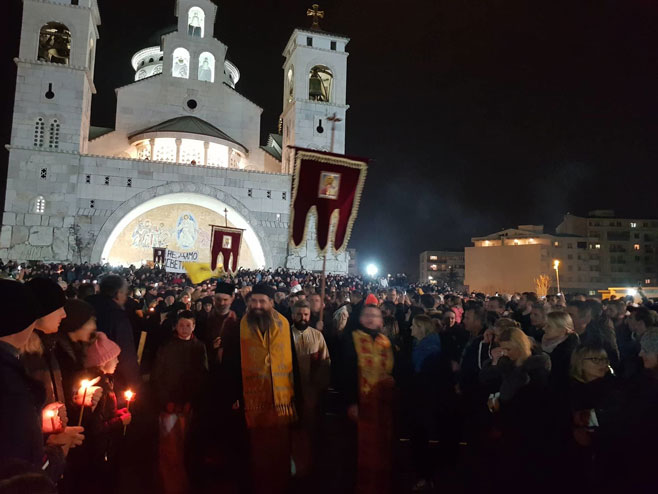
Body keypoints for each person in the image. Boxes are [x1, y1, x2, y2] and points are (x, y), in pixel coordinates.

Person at [222, 283, 298, 494]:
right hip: (249, 403)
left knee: (278, 453)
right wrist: (233, 396)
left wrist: (296, 395)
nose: (257, 305)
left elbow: (294, 363)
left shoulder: (284, 325)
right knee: (253, 455)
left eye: (262, 301)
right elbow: (230, 364)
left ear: (271, 303)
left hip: (281, 403)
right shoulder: (238, 327)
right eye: (254, 301)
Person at [0, 280, 66, 482]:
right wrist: (58, 449)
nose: (64, 314)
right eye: (59, 307)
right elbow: (23, 469)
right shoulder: (10, 382)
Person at [63, 333, 130, 494]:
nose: (118, 361)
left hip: (101, 450)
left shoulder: (105, 381)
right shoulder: (99, 389)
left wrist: (118, 413)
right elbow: (95, 428)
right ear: (104, 361)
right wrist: (121, 421)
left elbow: (104, 415)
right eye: (115, 358)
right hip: (97, 453)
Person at [152, 310, 208, 494]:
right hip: (169, 405)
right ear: (175, 326)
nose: (185, 329)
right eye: (182, 325)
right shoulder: (167, 347)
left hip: (189, 405)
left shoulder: (199, 347)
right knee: (169, 449)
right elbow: (158, 377)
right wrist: (165, 400)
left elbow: (202, 376)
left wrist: (192, 401)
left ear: (194, 326)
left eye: (188, 325)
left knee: (187, 447)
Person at [341, 305, 395, 494]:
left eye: (375, 315)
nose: (371, 319)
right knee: (357, 449)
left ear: (381, 320)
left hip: (381, 406)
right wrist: (351, 402)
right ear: (360, 318)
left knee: (380, 448)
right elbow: (345, 373)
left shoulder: (386, 342)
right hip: (360, 403)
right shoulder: (351, 339)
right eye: (367, 315)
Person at [289, 299, 331, 481]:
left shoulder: (317, 336)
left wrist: (317, 387)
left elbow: (325, 362)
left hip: (309, 393)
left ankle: (307, 469)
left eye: (305, 314)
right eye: (299, 314)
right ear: (293, 315)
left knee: (308, 431)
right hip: (288, 392)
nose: (302, 317)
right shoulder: (283, 335)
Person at [87, 275, 140, 390]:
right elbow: (126, 354)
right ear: (117, 293)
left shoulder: (86, 307)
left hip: (85, 376)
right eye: (124, 293)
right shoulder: (117, 317)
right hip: (112, 377)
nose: (125, 298)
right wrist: (133, 383)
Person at [542, 311, 579, 394]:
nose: (543, 328)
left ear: (562, 329)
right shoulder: (547, 343)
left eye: (549, 326)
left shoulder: (566, 352)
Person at [206, 282, 238, 364]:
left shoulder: (237, 321)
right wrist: (211, 346)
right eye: (218, 299)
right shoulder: (204, 320)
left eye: (225, 300)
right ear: (214, 300)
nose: (221, 303)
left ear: (232, 299)